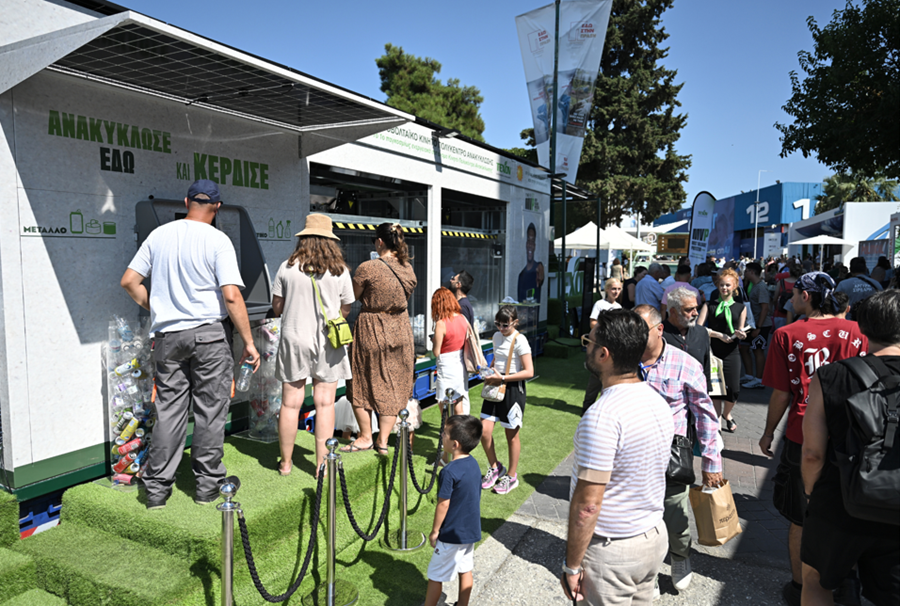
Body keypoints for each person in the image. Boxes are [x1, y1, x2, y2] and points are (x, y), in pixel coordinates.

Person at [120, 179, 260, 509]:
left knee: (169, 412)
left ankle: (156, 491)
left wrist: (156, 306)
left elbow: (129, 280)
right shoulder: (218, 240)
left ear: (186, 201)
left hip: (167, 337)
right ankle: (207, 488)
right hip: (209, 336)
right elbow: (231, 295)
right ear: (217, 207)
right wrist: (249, 343)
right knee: (210, 412)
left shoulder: (159, 236)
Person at [759, 271, 868, 606]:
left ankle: (799, 586)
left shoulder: (786, 334)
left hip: (802, 433)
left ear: (807, 296)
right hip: (850, 431)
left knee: (801, 517)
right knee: (848, 511)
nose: (789, 298)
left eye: (793, 294)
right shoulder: (856, 331)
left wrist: (767, 432)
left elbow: (781, 394)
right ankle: (845, 582)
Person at [562, 310, 673, 605]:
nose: (586, 346)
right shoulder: (658, 400)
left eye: (589, 341)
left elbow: (588, 506)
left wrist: (571, 565)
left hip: (612, 552)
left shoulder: (602, 416)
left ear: (604, 354)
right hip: (652, 536)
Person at [800, 291, 900, 606]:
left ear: (861, 327)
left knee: (817, 581)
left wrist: (812, 492)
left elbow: (812, 453)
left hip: (839, 497)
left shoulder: (831, 375)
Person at [634, 305, 723, 594]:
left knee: (674, 514)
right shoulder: (624, 361)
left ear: (659, 330)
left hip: (671, 455)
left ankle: (680, 556)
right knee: (636, 516)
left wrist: (712, 462)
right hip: (631, 454)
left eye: (640, 329)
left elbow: (705, 416)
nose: (632, 335)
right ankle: (644, 569)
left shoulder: (685, 364)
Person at [271, 214, 353, 477]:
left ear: (303, 238)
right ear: (331, 241)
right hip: (328, 340)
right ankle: (321, 465)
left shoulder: (286, 267)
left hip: (294, 337)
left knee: (290, 404)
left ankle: (285, 463)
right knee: (325, 403)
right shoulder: (340, 271)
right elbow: (346, 308)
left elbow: (277, 307)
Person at [341, 223, 417, 456]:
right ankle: (382, 441)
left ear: (380, 242)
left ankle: (365, 437)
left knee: (361, 380)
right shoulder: (408, 269)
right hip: (400, 330)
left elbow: (352, 296)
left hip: (372, 328)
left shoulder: (368, 268)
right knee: (392, 385)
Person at [424, 415, 484, 606]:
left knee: (435, 575)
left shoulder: (449, 472)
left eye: (445, 433)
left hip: (451, 533)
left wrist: (435, 531)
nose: (442, 435)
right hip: (470, 531)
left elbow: (443, 504)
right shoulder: (474, 464)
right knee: (465, 569)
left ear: (455, 443)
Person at [480, 306, 534, 495]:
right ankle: (495, 467)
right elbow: (497, 357)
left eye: (505, 325)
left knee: (512, 435)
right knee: (483, 431)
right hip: (494, 385)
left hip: (512, 388)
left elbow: (529, 371)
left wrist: (502, 378)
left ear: (515, 323)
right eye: (497, 324)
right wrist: (489, 370)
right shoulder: (496, 337)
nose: (501, 328)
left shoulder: (521, 340)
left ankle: (511, 476)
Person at [698, 269, 747, 431]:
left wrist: (741, 334)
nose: (724, 288)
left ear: (734, 287)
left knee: (734, 390)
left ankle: (727, 414)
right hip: (713, 352)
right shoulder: (709, 305)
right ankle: (717, 424)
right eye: (721, 285)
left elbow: (740, 329)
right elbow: (698, 329)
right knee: (715, 390)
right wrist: (718, 335)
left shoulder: (741, 307)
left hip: (732, 352)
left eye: (727, 285)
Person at [582, 278, 623, 414]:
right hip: (599, 345)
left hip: (613, 347)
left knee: (610, 378)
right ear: (607, 290)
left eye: (618, 289)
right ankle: (587, 407)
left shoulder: (619, 308)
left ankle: (603, 408)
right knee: (595, 377)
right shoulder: (599, 304)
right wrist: (605, 331)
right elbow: (592, 323)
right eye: (613, 289)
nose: (616, 292)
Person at [432, 287, 470, 419]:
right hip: (460, 363)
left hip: (447, 366)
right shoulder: (462, 318)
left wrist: (434, 340)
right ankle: (461, 436)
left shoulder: (441, 323)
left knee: (445, 409)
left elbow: (436, 352)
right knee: (459, 406)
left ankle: (448, 437)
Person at [663, 287, 712, 387]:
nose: (696, 313)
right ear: (673, 312)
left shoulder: (701, 332)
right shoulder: (659, 334)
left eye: (696, 308)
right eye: (689, 310)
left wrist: (707, 390)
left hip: (696, 393)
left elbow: (706, 367)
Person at [739, 262, 771, 390]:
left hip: (760, 324)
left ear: (752, 272)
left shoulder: (761, 287)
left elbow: (765, 308)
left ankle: (759, 379)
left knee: (758, 350)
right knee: (744, 348)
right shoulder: (752, 285)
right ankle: (749, 375)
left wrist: (758, 327)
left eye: (746, 271)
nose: (744, 273)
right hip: (751, 323)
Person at [517, 223, 544, 302]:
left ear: (535, 246)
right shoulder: (521, 276)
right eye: (529, 241)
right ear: (525, 244)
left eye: (532, 241)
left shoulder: (539, 268)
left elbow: (541, 279)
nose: (530, 245)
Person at [773, 258, 803, 330]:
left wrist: (775, 307)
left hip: (780, 313)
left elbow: (775, 298)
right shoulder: (801, 284)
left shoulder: (781, 282)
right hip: (796, 315)